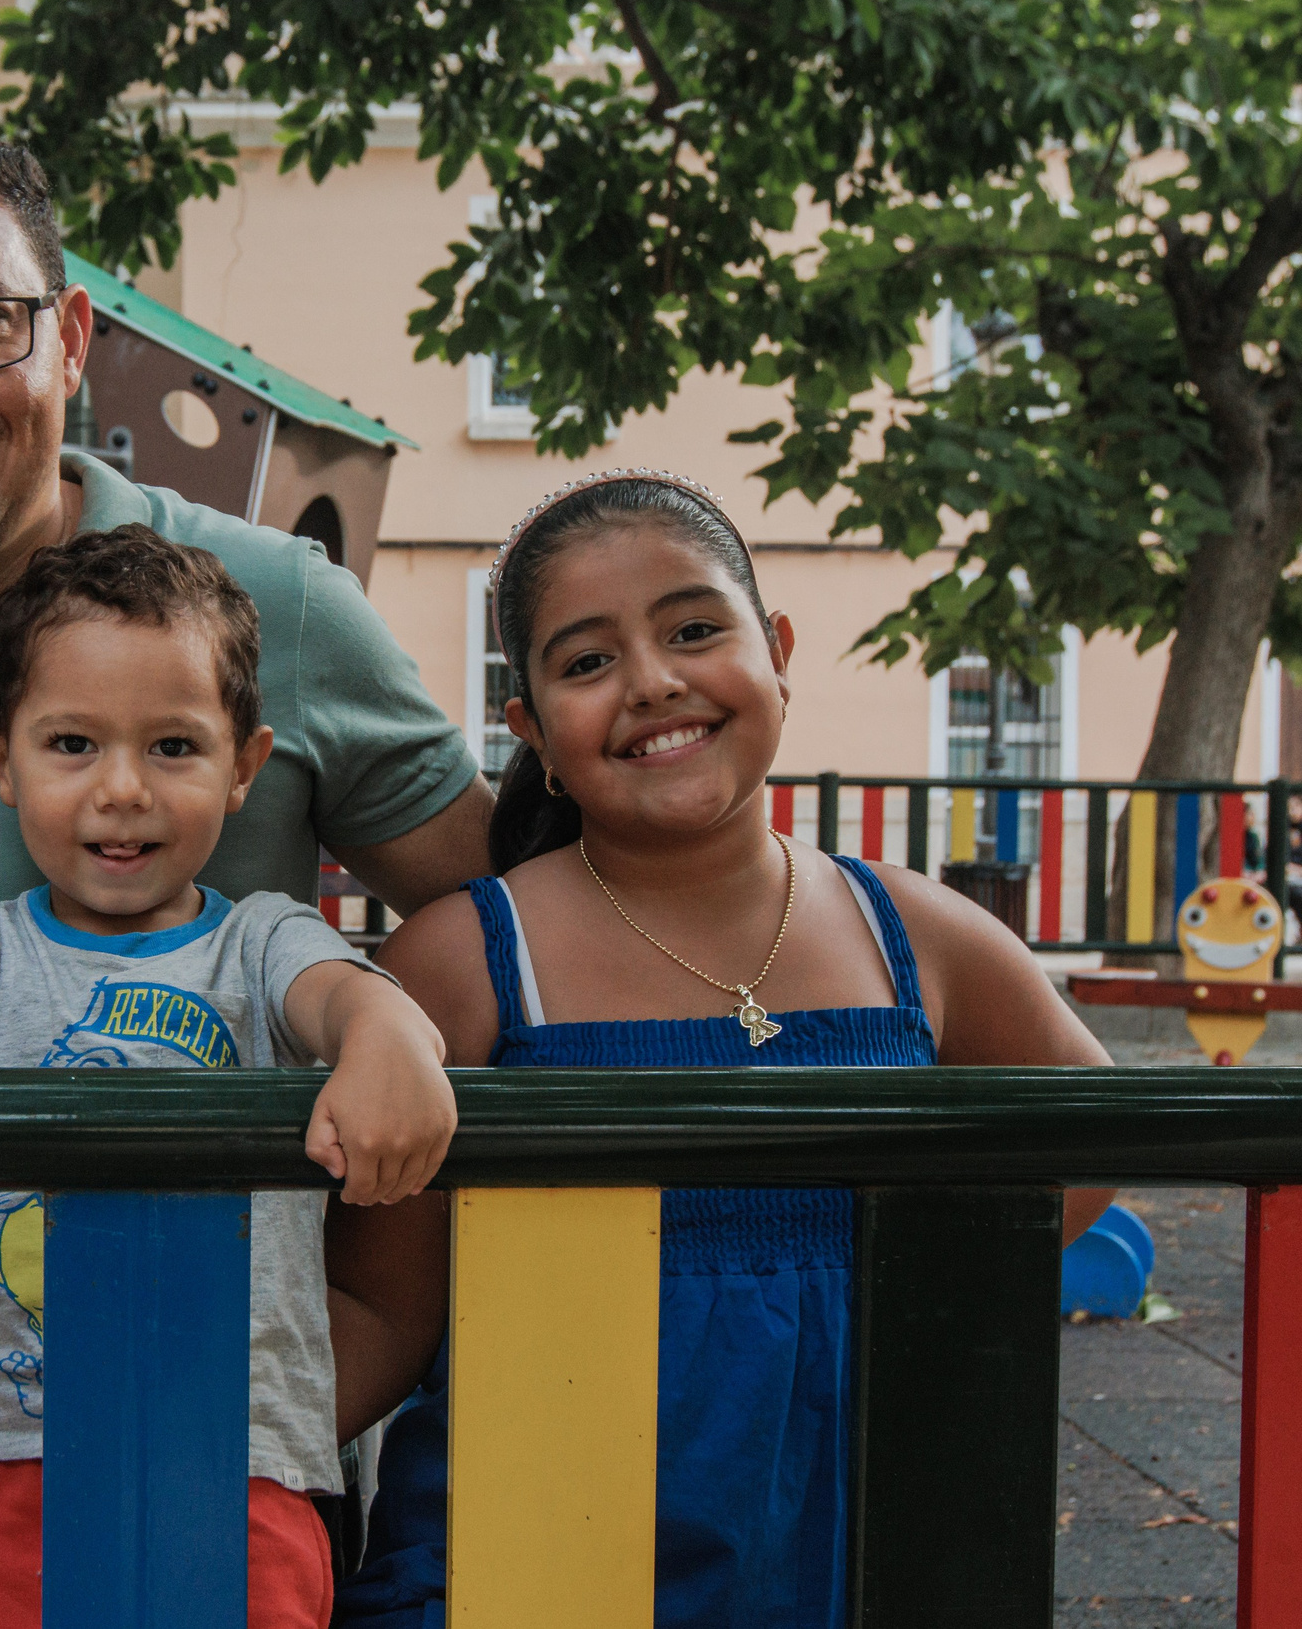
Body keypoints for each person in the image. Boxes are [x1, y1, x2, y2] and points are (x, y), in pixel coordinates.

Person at [0, 118, 493, 1621]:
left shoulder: (273, 609)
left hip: (207, 1451)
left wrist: (368, 1323)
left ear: (72, 335)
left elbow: (495, 926)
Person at [353, 468, 1114, 1629]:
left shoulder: (910, 932)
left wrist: (913, 1283)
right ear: (532, 730)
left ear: (778, 651)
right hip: (540, 1547)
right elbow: (383, 1308)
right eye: (586, 660)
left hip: (849, 1535)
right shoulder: (465, 961)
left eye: (695, 630)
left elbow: (1095, 1128)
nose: (653, 683)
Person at [0, 526, 458, 1628]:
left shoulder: (263, 941)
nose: (121, 790)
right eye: (73, 743)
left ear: (244, 765)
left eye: (173, 748)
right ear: (1, 758)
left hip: (228, 1457)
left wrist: (384, 1041)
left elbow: (352, 1001)